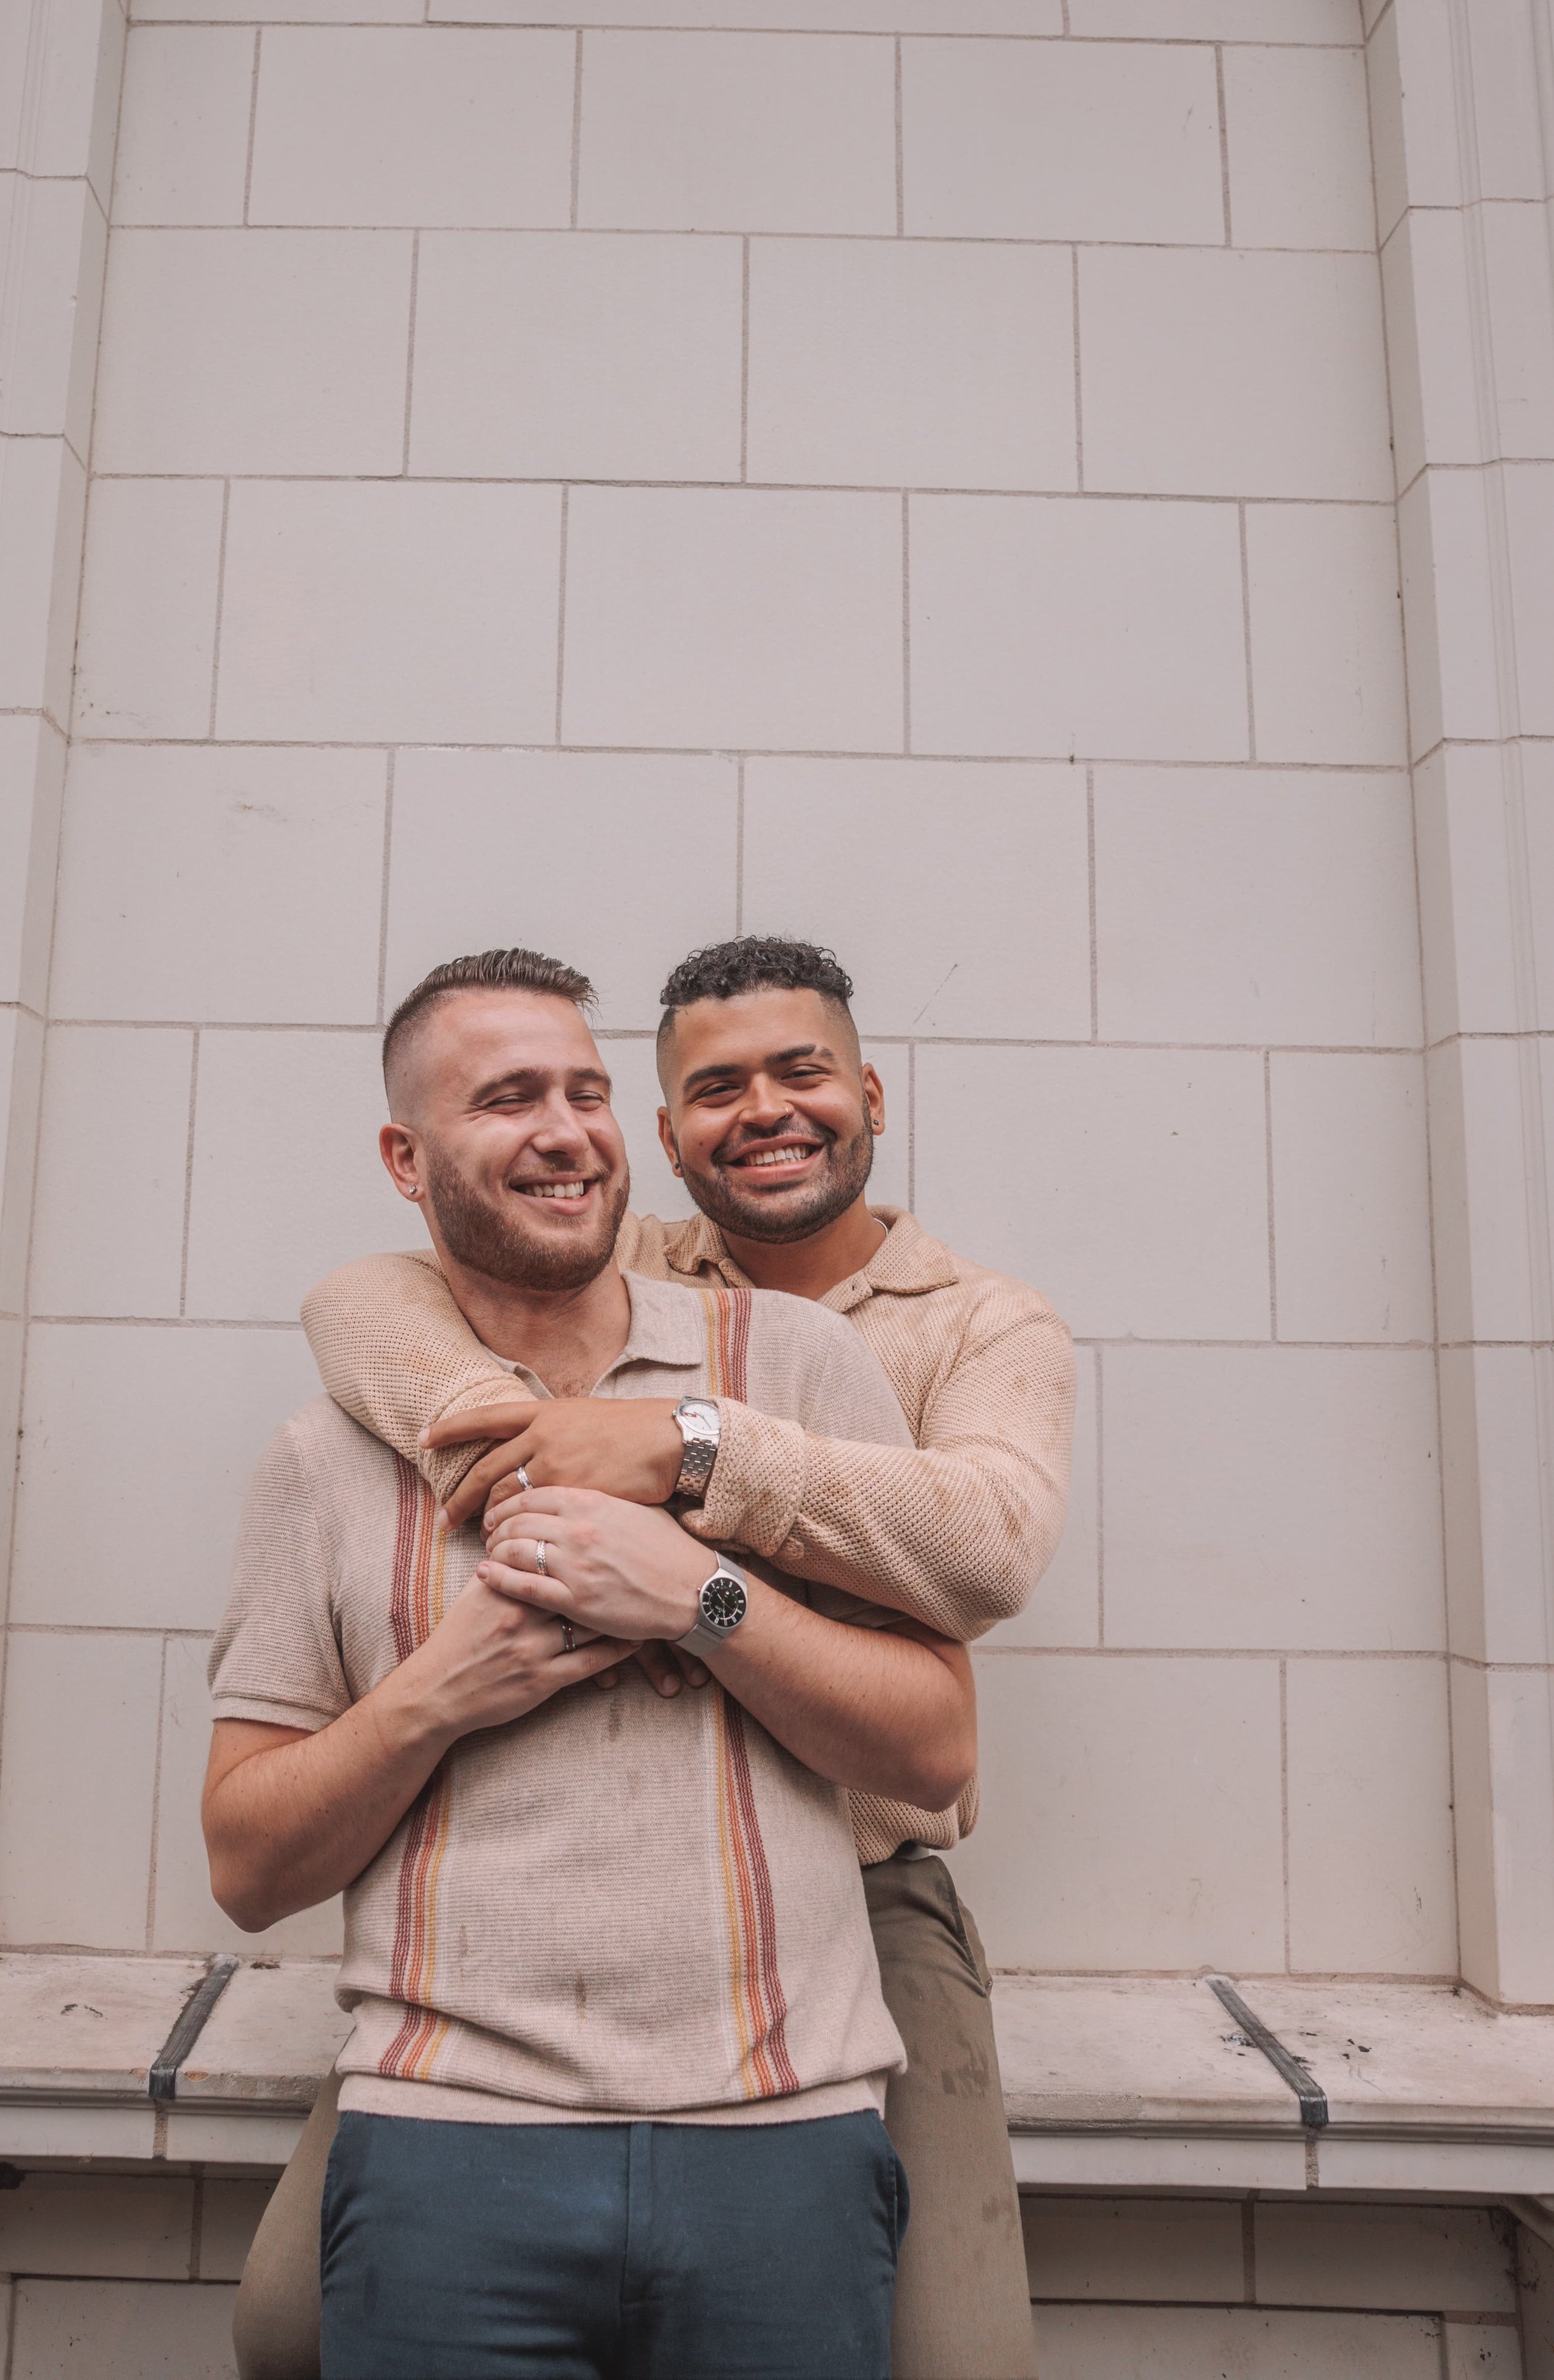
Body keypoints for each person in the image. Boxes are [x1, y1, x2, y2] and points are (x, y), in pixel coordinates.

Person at [238, 934, 1072, 2380]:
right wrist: (531, 1466)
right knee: (286, 2323)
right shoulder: (601, 1256)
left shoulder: (971, 1326)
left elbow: (987, 1545)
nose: (768, 1110)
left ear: (871, 1093)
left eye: (802, 1072)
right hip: (537, 1962)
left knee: (957, 2359)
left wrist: (691, 1459)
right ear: (670, 1135)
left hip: (859, 1880)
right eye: (716, 1089)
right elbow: (360, 1299)